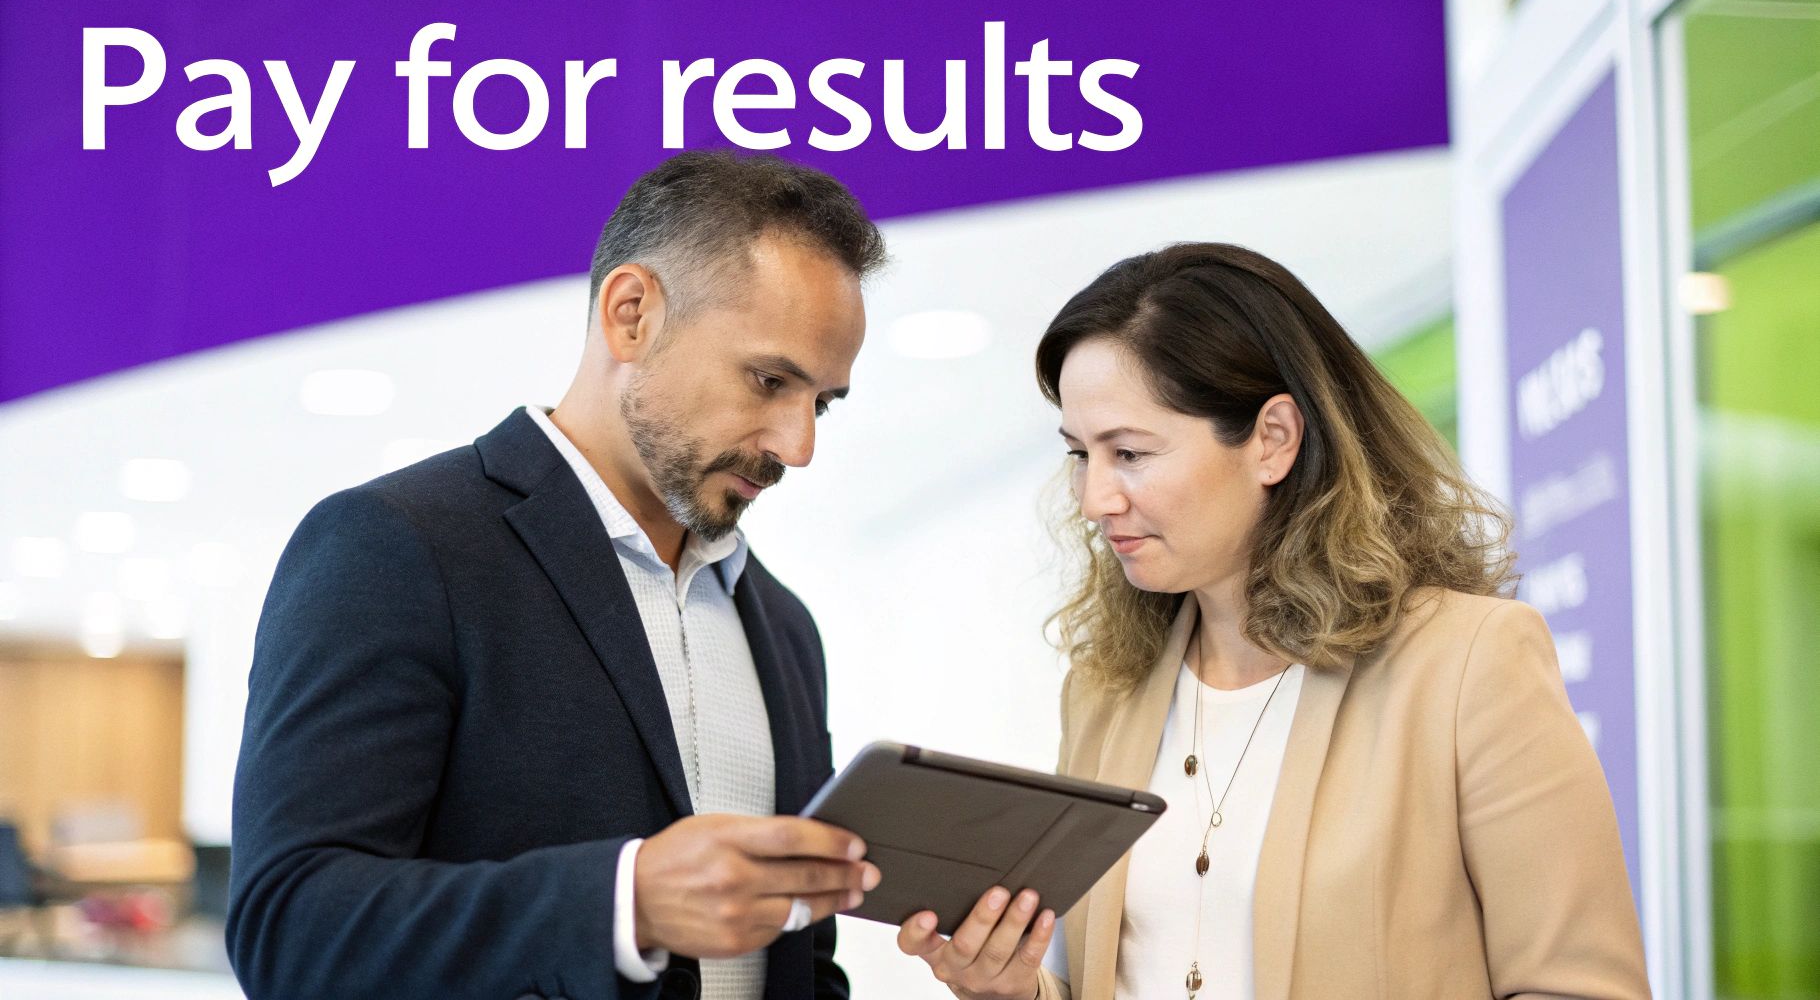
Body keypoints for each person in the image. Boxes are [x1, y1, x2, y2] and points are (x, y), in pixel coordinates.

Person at [895, 243, 1649, 999]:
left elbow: (1579, 988)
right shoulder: (1103, 691)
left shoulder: (1469, 661)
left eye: (1129, 452)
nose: (1095, 500)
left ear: (1274, 439)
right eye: (1079, 455)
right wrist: (1018, 993)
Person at [227, 151, 889, 1000]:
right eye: (769, 380)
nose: (798, 446)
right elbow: (289, 930)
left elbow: (794, 964)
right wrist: (625, 903)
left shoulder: (786, 628)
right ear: (631, 313)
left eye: (821, 402)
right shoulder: (397, 545)